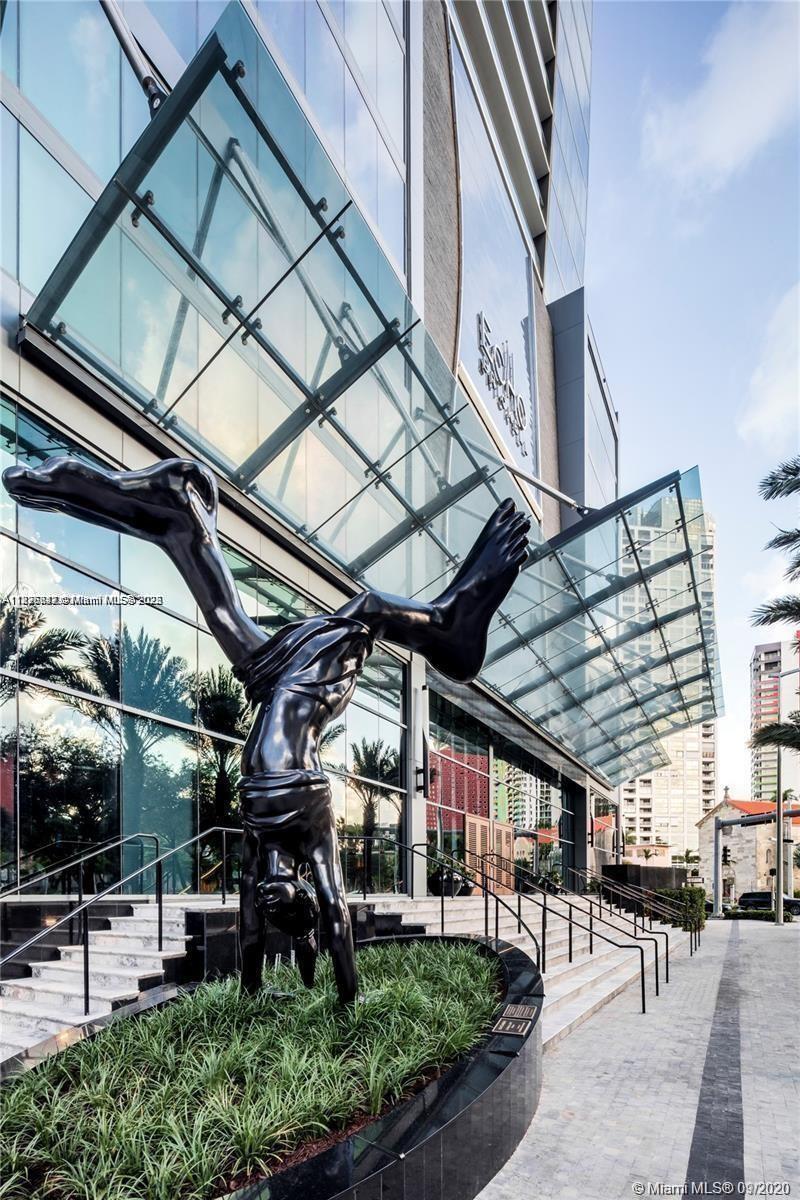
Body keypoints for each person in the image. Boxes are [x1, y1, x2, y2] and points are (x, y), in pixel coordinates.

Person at [3, 455, 530, 1002]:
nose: (270, 895)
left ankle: (182, 525)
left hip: (280, 736)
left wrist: (285, 992)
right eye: (283, 898)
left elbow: (294, 923)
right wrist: (328, 994)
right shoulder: (289, 847)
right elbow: (313, 920)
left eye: (271, 899)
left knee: (282, 615)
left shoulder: (282, 849)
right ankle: (187, 526)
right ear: (296, 886)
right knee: (298, 616)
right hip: (282, 739)